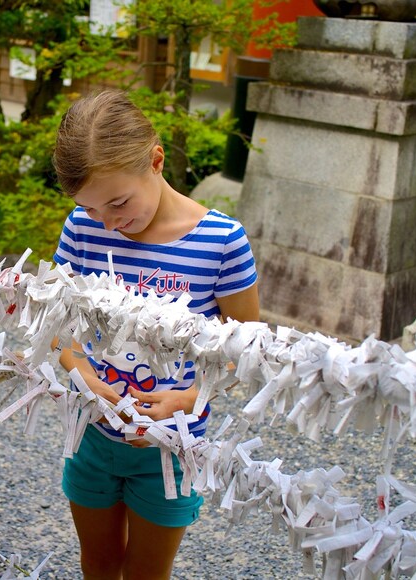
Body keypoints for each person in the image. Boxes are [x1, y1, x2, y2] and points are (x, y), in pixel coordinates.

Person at [52, 91, 260, 579]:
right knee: (98, 564)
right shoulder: (83, 227)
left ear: (156, 160)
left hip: (172, 446)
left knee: (148, 572)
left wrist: (190, 397)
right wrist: (80, 371)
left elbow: (246, 352)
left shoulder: (223, 243)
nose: (109, 222)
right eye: (92, 208)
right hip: (92, 436)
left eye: (119, 203)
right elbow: (62, 331)